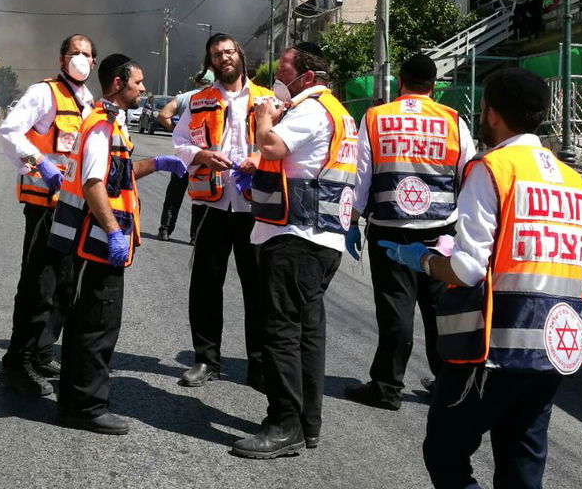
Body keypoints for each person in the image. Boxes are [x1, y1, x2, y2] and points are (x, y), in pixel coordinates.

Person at [383, 67, 582, 489]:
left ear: (493, 113)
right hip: (556, 347)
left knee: (445, 455)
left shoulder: (493, 168)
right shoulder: (577, 184)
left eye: (484, 109)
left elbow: (466, 270)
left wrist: (421, 258)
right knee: (522, 481)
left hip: (494, 349)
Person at [231, 41, 357, 458]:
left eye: (284, 70)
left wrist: (265, 120)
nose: (277, 78)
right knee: (307, 334)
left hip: (295, 238)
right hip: (319, 238)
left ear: (307, 75)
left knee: (281, 331)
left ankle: (284, 423)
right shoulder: (340, 112)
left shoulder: (310, 110)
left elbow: (273, 146)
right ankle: (307, 423)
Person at [50, 54, 187, 434]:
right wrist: (112, 232)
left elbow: (118, 175)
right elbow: (94, 184)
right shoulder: (100, 127)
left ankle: (74, 399)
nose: (144, 88)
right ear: (117, 84)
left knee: (89, 321)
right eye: (138, 82)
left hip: (96, 240)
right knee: (98, 323)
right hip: (98, 241)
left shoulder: (109, 122)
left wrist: (157, 163)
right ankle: (87, 406)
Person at [345, 52, 475, 411]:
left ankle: (387, 386)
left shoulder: (375, 118)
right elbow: (469, 173)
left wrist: (352, 220)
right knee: (438, 310)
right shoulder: (452, 120)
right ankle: (447, 383)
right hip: (440, 230)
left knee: (395, 308)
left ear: (399, 82)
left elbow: (361, 176)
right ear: (434, 86)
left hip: (390, 229)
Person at [170, 34, 273, 388]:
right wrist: (200, 156)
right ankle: (206, 360)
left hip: (255, 207)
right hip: (212, 205)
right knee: (205, 285)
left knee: (258, 289)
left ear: (240, 55)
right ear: (210, 62)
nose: (224, 58)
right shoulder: (199, 101)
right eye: (217, 54)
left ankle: (259, 364)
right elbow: (179, 141)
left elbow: (283, 146)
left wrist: (260, 156)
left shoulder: (269, 99)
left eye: (229, 52)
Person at [0, 34, 96, 396]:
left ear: (94, 63)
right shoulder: (44, 93)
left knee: (63, 285)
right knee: (39, 283)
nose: (80, 59)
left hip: (72, 207)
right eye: (75, 53)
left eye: (87, 54)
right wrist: (40, 163)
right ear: (61, 57)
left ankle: (41, 351)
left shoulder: (87, 102)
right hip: (43, 206)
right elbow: (9, 132)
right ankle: (17, 362)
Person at [155, 88, 204, 243]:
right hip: (203, 156)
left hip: (183, 155)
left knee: (174, 194)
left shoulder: (185, 97)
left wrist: (177, 131)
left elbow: (163, 115)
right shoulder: (215, 97)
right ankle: (196, 236)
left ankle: (165, 229)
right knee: (200, 197)